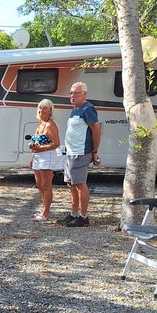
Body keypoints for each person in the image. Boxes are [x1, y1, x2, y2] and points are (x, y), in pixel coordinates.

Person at [63, 81, 101, 227]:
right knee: (71, 184)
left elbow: (96, 130)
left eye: (76, 93)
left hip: (81, 152)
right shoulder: (75, 109)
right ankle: (73, 213)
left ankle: (83, 217)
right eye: (71, 93)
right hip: (70, 152)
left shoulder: (88, 109)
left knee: (79, 184)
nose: (72, 96)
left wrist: (95, 151)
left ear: (84, 94)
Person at [29, 98, 63, 222]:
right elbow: (36, 142)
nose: (41, 110)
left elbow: (56, 143)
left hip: (47, 156)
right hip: (38, 156)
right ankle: (43, 208)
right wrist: (32, 155)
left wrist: (41, 149)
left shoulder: (50, 125)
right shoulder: (40, 124)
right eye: (40, 107)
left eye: (45, 108)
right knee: (39, 185)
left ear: (50, 111)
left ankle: (46, 212)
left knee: (46, 185)